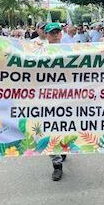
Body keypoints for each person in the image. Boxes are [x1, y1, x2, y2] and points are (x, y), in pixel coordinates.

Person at [44, 23, 67, 181]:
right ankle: (57, 165)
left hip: (68, 97)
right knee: (50, 129)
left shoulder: (70, 50)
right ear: (46, 34)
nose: (55, 35)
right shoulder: (39, 51)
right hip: (47, 98)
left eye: (58, 32)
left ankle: (65, 148)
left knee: (66, 127)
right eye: (52, 33)